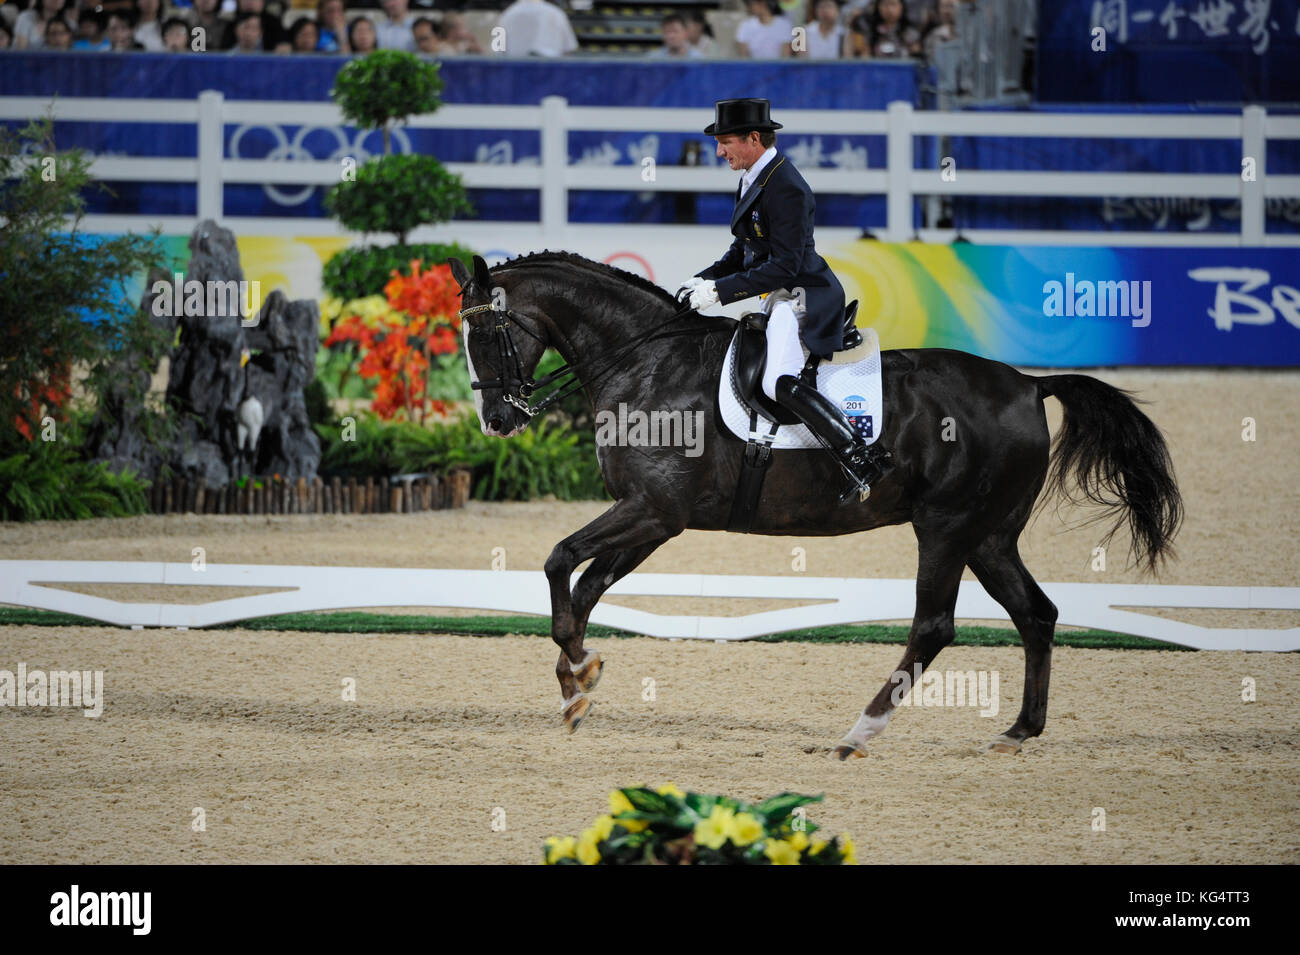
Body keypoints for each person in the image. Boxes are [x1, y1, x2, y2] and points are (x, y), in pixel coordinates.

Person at [680, 99, 890, 498]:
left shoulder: (786, 186)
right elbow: (743, 252)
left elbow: (785, 266)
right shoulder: (755, 177)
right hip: (781, 294)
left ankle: (859, 457)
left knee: (779, 380)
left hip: (804, 294)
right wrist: (703, 279)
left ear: (753, 138)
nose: (719, 152)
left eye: (725, 142)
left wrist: (720, 293)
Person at [495, 0, 576, 57]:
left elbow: (499, 51)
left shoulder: (507, 15)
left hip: (517, 75)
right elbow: (568, 49)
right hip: (550, 75)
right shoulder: (556, 14)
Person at [847, 0, 920, 57]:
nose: (889, 9)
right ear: (878, 7)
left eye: (893, 4)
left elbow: (916, 58)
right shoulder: (871, 31)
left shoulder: (910, 33)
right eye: (885, 4)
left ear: (902, 6)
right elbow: (865, 57)